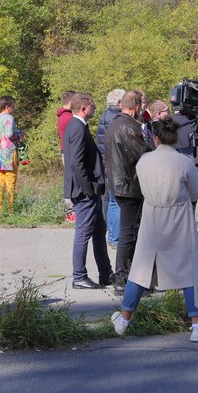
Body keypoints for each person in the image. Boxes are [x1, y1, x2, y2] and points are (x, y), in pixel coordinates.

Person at [110, 118, 198, 342]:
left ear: (156, 137)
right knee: (189, 270)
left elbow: (142, 187)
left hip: (152, 216)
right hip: (179, 217)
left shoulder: (144, 161)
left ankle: (124, 319)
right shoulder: (185, 161)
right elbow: (194, 192)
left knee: (141, 270)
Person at [62, 93, 113, 289]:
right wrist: (89, 189)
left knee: (99, 231)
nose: (95, 109)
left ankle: (105, 273)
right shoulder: (76, 128)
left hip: (91, 191)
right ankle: (79, 276)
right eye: (92, 106)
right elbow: (76, 163)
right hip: (85, 193)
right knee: (83, 233)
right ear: (84, 108)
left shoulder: (79, 126)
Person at [104, 90, 151, 290]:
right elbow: (143, 153)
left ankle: (126, 275)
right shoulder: (128, 127)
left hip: (119, 182)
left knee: (128, 232)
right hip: (129, 184)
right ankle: (123, 277)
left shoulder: (114, 123)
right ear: (137, 106)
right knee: (129, 233)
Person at [97, 88, 125, 247]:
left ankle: (112, 234)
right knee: (115, 201)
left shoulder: (105, 115)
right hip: (114, 163)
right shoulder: (115, 118)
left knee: (111, 200)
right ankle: (115, 236)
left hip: (107, 162)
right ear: (119, 102)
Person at [0, 95, 22, 213]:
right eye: (13, 105)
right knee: (11, 181)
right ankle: (11, 209)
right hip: (9, 153)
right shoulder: (9, 117)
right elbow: (10, 134)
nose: (14, 108)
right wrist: (19, 136)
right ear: (8, 106)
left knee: (0, 181)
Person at [56, 90, 77, 223]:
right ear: (70, 102)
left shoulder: (63, 115)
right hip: (69, 151)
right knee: (71, 181)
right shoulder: (68, 117)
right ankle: (71, 211)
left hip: (66, 150)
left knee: (71, 180)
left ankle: (71, 211)